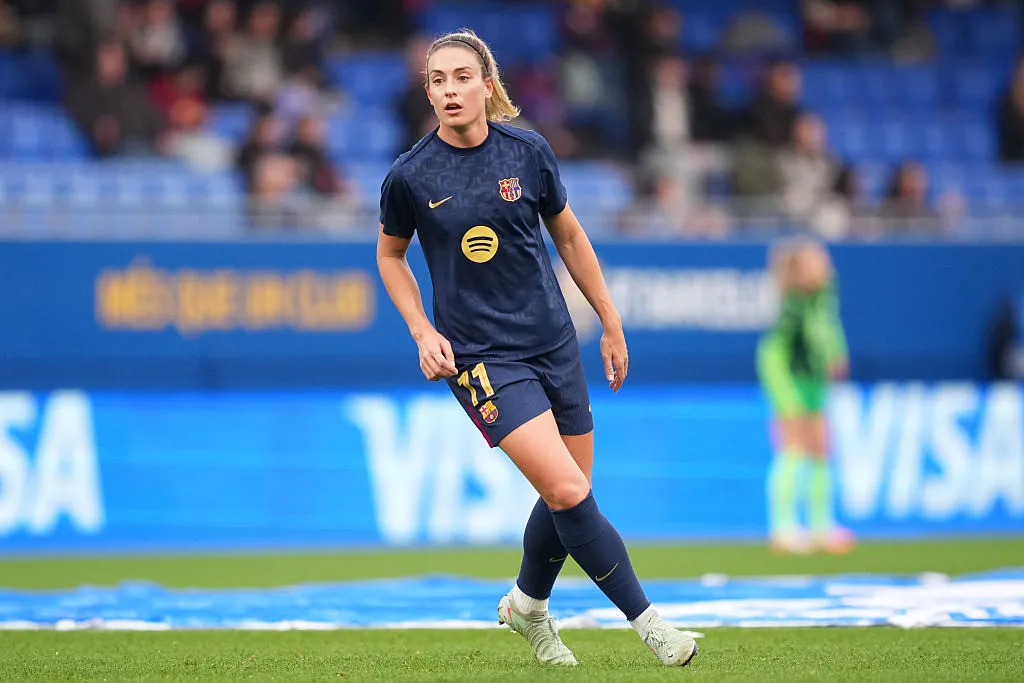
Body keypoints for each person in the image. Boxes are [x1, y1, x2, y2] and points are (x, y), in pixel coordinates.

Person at [376, 29, 698, 668]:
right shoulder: (410, 175)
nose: (449, 90)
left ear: (487, 85)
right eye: (437, 80)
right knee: (568, 491)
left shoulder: (527, 152)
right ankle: (650, 623)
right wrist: (421, 329)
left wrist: (609, 320)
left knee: (568, 488)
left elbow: (571, 239)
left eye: (461, 77)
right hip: (479, 358)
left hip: (552, 341)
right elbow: (390, 256)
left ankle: (527, 605)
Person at [757, 239, 852, 555]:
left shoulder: (823, 297)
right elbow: (774, 350)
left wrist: (836, 355)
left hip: (812, 381)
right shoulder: (795, 304)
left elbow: (828, 331)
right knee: (793, 447)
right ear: (801, 272)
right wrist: (784, 395)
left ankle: (821, 526)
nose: (827, 267)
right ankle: (782, 528)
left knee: (822, 449)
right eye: (819, 263)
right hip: (789, 379)